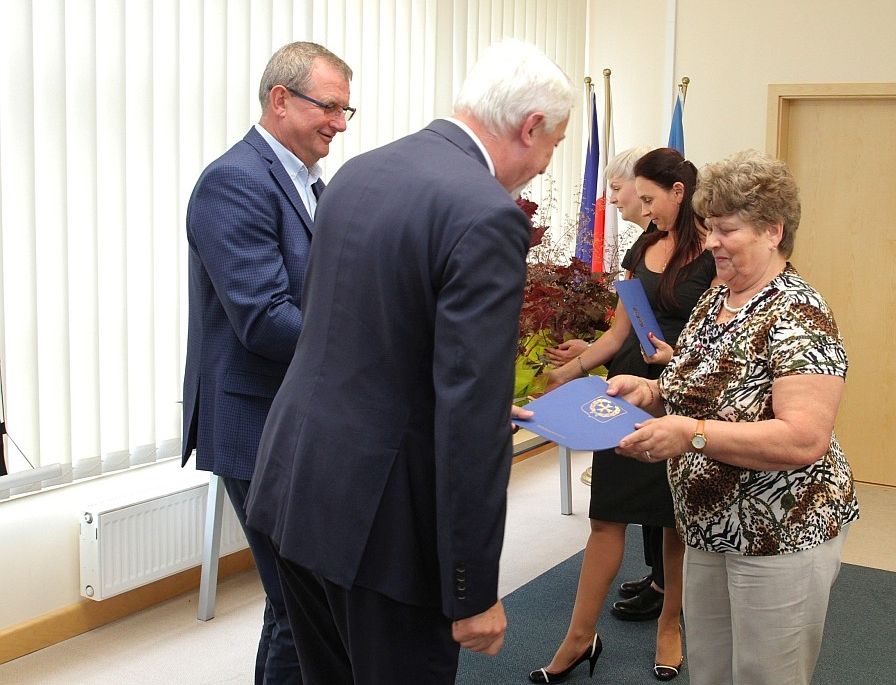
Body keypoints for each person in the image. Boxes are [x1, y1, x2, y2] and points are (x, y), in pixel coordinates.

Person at [244, 40, 573, 685]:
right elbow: (471, 423)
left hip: (297, 489)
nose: (544, 164)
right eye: (553, 145)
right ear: (530, 127)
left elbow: (361, 336)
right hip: (385, 527)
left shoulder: (360, 172)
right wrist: (472, 589)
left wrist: (453, 396)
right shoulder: (486, 215)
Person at [610, 149, 860, 685]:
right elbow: (698, 387)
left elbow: (803, 438)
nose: (712, 243)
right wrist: (650, 392)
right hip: (707, 526)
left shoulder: (799, 313)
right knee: (711, 671)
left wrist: (690, 434)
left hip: (780, 530)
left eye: (726, 230)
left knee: (766, 675)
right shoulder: (718, 298)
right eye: (708, 227)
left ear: (773, 231)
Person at [180, 41, 353, 685]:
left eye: (346, 110)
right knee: (298, 604)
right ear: (280, 99)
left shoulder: (309, 181)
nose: (339, 123)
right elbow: (263, 319)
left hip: (299, 416)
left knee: (302, 603)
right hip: (258, 424)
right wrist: (364, 349)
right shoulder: (236, 180)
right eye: (328, 107)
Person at [531, 148, 716, 683]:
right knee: (606, 515)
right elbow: (619, 333)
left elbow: (723, 345)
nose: (644, 208)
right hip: (625, 389)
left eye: (651, 198)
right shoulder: (643, 246)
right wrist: (571, 370)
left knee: (672, 520)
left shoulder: (712, 254)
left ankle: (670, 625)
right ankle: (578, 637)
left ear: (678, 192)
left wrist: (675, 363)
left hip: (682, 393)